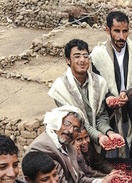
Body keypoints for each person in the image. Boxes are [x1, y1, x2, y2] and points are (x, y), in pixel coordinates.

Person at [48, 38, 123, 173]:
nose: (82, 60)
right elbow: (77, 122)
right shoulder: (60, 88)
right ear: (68, 60)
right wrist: (99, 136)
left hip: (96, 145)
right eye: (77, 56)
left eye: (85, 56)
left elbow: (101, 116)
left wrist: (109, 132)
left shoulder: (99, 82)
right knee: (81, 177)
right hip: (74, 143)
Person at [26, 106, 122, 183]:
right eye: (67, 124)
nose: (71, 130)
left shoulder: (68, 145)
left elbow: (79, 178)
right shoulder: (42, 147)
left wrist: (102, 182)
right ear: (57, 122)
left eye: (76, 128)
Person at [90, 11, 132, 157]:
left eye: (125, 31)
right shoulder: (97, 55)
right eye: (117, 31)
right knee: (112, 155)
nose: (121, 36)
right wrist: (110, 97)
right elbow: (98, 83)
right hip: (110, 115)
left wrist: (129, 93)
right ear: (108, 30)